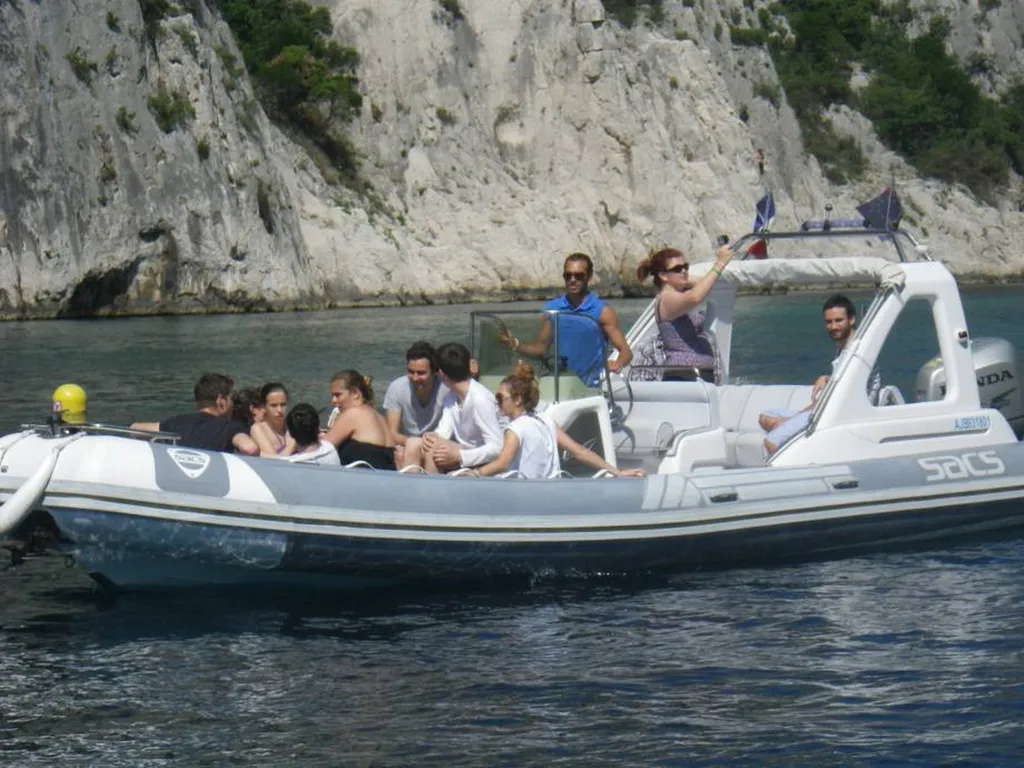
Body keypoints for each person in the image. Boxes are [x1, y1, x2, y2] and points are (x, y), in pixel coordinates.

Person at [476, 363, 648, 479]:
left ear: (518, 399)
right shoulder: (544, 420)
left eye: (500, 397)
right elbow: (579, 451)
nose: (496, 401)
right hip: (549, 492)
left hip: (522, 496)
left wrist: (475, 474)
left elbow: (503, 463)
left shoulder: (514, 430)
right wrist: (616, 472)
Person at [759, 294, 881, 455]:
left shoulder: (858, 350)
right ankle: (794, 433)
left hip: (844, 414)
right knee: (765, 416)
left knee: (771, 441)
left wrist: (795, 419)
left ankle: (795, 471)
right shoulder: (843, 347)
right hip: (828, 408)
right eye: (829, 322)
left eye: (839, 320)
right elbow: (834, 390)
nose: (833, 326)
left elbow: (841, 395)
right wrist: (826, 379)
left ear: (851, 320)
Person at [498, 253, 632, 386]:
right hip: (560, 386)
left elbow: (625, 350)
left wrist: (618, 363)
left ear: (589, 276)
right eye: (568, 276)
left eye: (579, 276)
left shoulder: (603, 311)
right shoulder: (553, 309)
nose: (573, 280)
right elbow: (540, 349)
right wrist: (515, 344)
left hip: (592, 387)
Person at [634, 245, 733, 382]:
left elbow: (706, 285)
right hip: (685, 376)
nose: (684, 271)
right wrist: (720, 263)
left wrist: (684, 278)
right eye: (677, 269)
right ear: (663, 275)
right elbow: (695, 298)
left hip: (697, 375)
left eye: (685, 266)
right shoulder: (666, 299)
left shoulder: (676, 295)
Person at [417, 342, 503, 473]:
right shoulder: (451, 396)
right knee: (414, 444)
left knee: (432, 449)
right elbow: (444, 430)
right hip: (463, 449)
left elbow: (497, 446)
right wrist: (431, 436)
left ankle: (431, 491)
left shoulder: (480, 399)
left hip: (481, 458)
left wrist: (460, 456)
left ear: (441, 374)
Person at [131, 373, 259, 455]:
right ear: (221, 401)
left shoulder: (177, 422)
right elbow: (250, 448)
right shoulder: (230, 428)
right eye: (232, 399)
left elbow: (136, 429)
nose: (233, 405)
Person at [383, 341, 448, 464]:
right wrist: (414, 443)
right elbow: (392, 433)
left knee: (432, 454)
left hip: (438, 442)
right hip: (408, 442)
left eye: (421, 373)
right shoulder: (397, 388)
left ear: (435, 372)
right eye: (411, 372)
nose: (415, 378)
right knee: (401, 452)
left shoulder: (446, 389)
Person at [323, 370, 397, 470]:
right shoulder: (379, 417)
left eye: (338, 395)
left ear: (355, 393)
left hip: (362, 480)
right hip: (387, 478)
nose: (333, 401)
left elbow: (324, 447)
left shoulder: (353, 413)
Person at [250, 382, 295, 457]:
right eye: (274, 405)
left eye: (283, 404)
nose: (280, 410)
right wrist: (294, 442)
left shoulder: (293, 424)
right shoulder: (258, 429)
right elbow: (274, 462)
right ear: (264, 407)